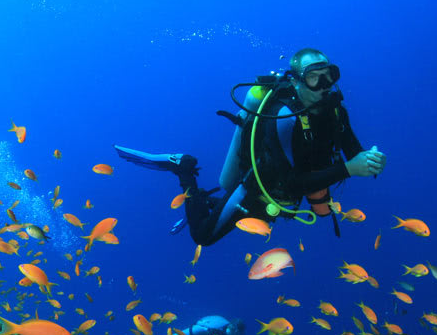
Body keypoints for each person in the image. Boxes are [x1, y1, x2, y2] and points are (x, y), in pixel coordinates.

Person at [115, 48, 386, 246]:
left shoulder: (336, 112)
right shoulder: (284, 118)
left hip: (283, 197)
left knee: (232, 214)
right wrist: (350, 169)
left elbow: (354, 155)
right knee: (203, 237)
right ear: (296, 80)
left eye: (330, 75)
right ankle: (183, 167)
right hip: (256, 189)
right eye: (315, 77)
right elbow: (293, 181)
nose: (326, 85)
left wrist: (371, 161)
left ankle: (206, 202)